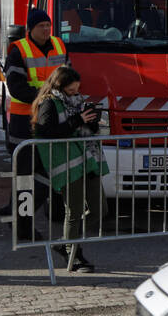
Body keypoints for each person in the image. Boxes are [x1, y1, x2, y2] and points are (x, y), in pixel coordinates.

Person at [30, 67, 109, 273]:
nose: (75, 94)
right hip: (66, 162)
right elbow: (47, 133)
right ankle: (73, 256)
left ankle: (65, 243)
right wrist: (78, 120)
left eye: (77, 90)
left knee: (99, 208)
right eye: (71, 91)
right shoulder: (48, 103)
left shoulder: (77, 102)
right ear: (59, 86)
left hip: (87, 160)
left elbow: (81, 129)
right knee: (72, 212)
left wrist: (91, 123)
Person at [2, 8, 68, 234]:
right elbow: (16, 87)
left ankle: (15, 212)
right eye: (41, 26)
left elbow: (67, 78)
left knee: (45, 174)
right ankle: (22, 225)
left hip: (49, 121)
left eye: (48, 25)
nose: (47, 29)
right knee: (25, 177)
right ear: (30, 29)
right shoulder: (18, 51)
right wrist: (47, 97)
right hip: (24, 123)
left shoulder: (59, 46)